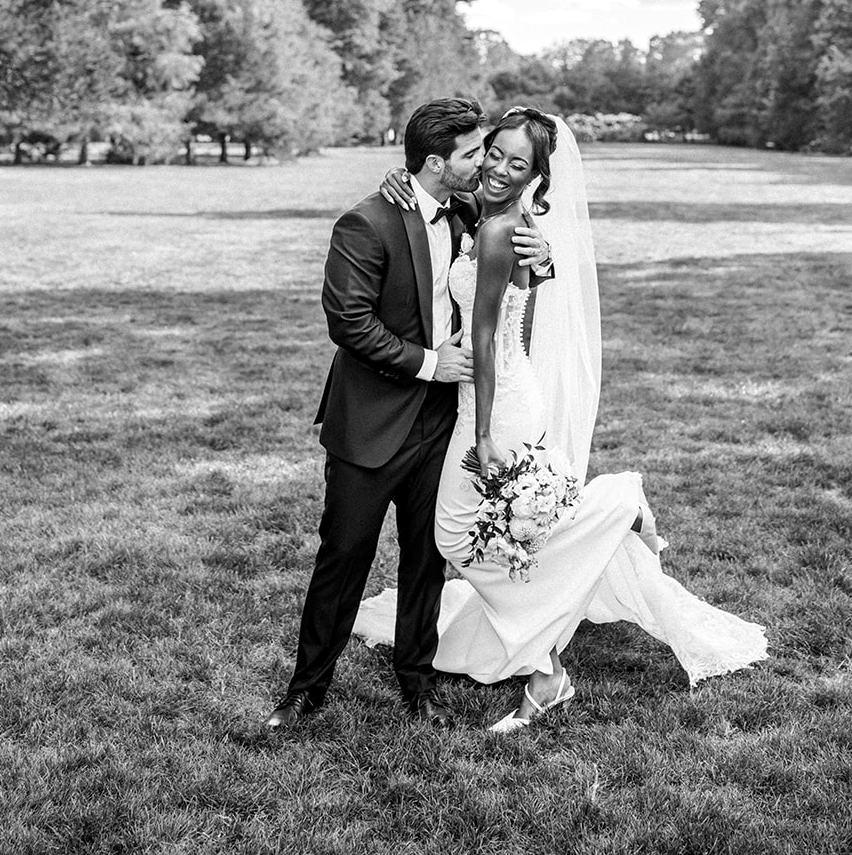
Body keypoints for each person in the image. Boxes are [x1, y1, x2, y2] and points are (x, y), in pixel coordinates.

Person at [355, 107, 767, 730]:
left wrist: (484, 432)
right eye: (493, 153)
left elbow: (487, 337)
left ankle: (616, 504)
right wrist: (401, 176)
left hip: (497, 400)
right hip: (494, 390)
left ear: (537, 177)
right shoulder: (490, 215)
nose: (498, 168)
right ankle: (547, 665)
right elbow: (453, 203)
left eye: (517, 164)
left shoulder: (501, 231)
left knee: (457, 537)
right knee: (506, 537)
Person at [267, 97, 554, 731]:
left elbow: (517, 256)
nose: (487, 164)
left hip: (442, 423)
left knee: (426, 560)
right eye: (475, 154)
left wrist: (546, 253)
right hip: (372, 423)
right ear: (435, 162)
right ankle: (307, 689)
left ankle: (417, 682)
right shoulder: (366, 223)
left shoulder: (469, 209)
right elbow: (349, 323)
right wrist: (431, 363)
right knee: (344, 556)